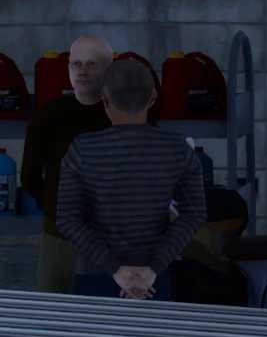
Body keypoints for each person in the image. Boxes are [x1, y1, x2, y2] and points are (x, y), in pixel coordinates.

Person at [56, 58, 205, 301]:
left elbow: (67, 220)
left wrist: (115, 269)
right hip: (154, 278)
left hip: (96, 273)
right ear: (153, 98)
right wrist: (153, 268)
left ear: (104, 99)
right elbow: (194, 214)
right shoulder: (177, 148)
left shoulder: (82, 149)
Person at [20, 36, 115, 294]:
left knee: (109, 308)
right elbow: (29, 176)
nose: (82, 71)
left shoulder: (125, 114)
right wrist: (55, 209)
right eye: (76, 64)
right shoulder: (49, 114)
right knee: (54, 305)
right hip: (59, 234)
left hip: (112, 237)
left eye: (92, 64)